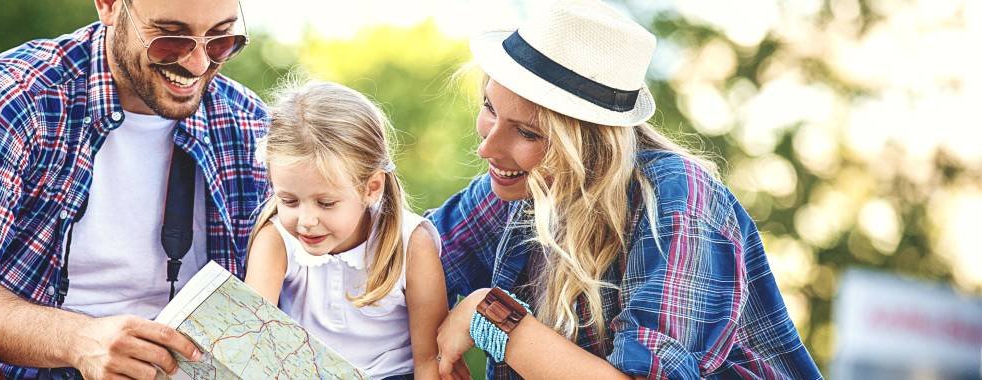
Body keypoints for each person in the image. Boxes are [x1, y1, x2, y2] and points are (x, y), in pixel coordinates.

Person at [427, 1, 824, 379]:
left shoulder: (677, 202)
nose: (486, 148)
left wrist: (490, 315)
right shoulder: (529, 188)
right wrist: (428, 366)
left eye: (528, 132)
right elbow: (415, 249)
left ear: (592, 146)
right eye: (490, 108)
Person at [0, 0, 271, 378]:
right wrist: (81, 340)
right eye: (170, 38)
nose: (198, 63)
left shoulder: (251, 127)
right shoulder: (17, 93)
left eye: (221, 41)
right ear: (109, 6)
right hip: (16, 369)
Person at [243, 80, 448, 380]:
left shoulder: (412, 243)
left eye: (325, 203)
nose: (306, 220)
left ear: (371, 188)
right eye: (289, 200)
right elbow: (252, 339)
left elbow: (429, 360)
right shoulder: (276, 241)